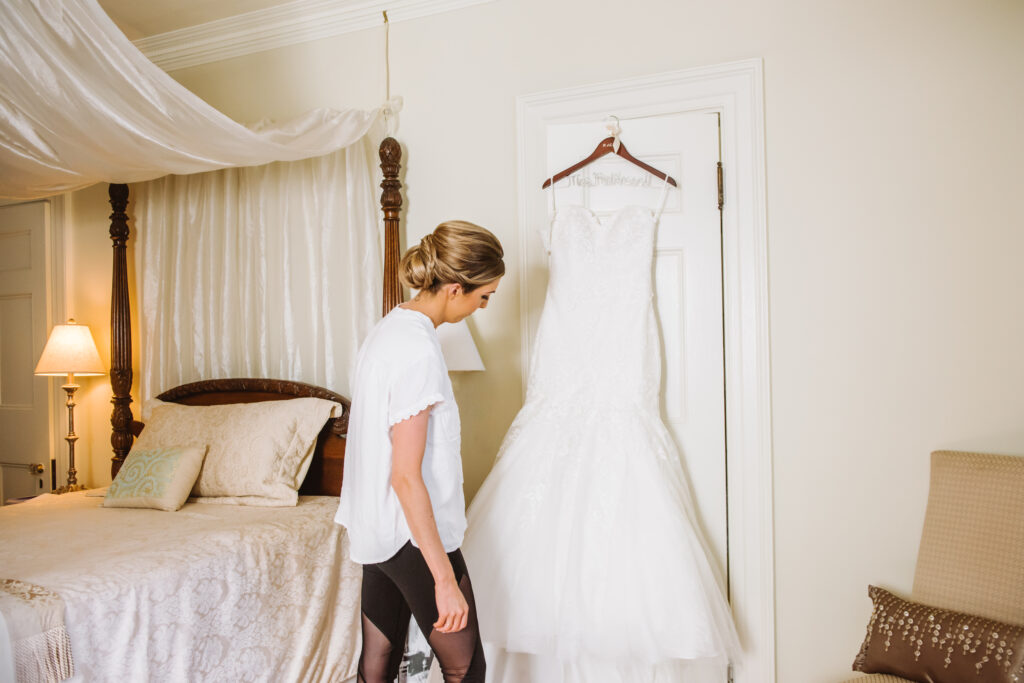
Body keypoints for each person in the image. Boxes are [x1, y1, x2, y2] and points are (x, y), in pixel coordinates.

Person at [335, 220, 504, 683]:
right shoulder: (417, 350)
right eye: (482, 296)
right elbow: (406, 476)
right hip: (410, 534)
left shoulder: (388, 330)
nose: (481, 307)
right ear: (454, 288)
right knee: (466, 666)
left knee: (380, 661)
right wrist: (445, 581)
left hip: (379, 530)